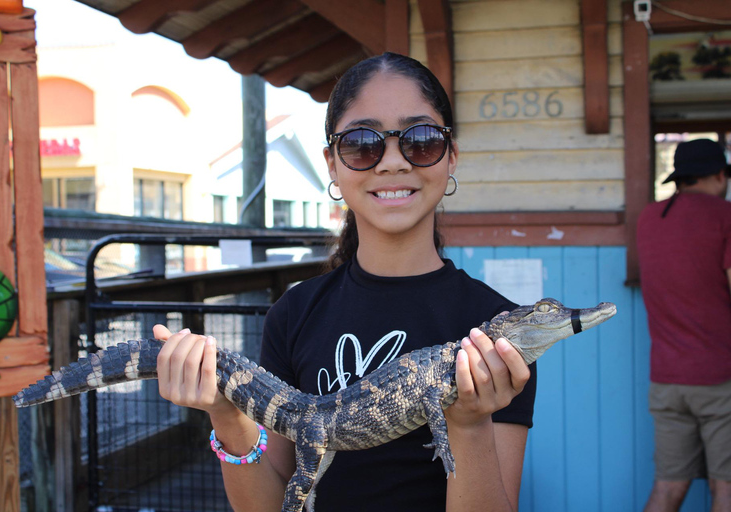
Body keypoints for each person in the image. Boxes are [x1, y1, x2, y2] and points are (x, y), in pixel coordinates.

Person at [153, 52, 537, 512]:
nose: (393, 162)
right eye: (362, 143)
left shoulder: (497, 332)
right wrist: (225, 414)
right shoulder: (293, 314)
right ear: (332, 164)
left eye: (421, 139)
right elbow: (268, 505)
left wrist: (469, 424)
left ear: (450, 155)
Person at [637, 138, 731, 512]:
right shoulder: (724, 215)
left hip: (667, 380)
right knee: (725, 489)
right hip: (719, 378)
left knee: (668, 489)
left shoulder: (650, 218)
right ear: (720, 176)